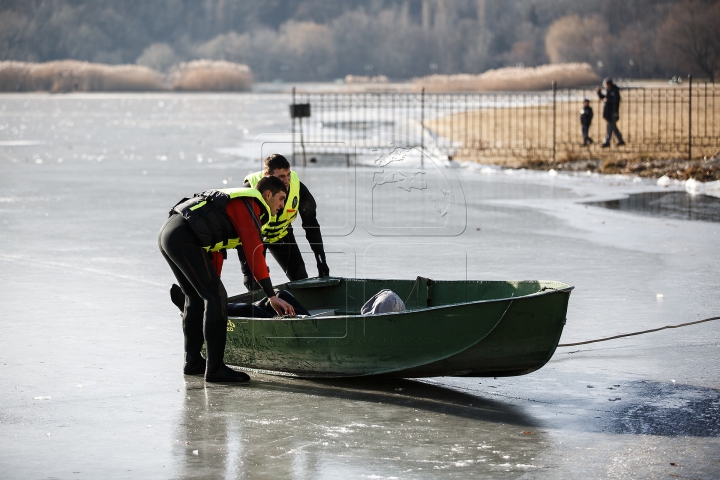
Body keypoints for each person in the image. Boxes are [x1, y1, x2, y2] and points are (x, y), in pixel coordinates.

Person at [158, 176, 295, 383]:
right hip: (182, 237)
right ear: (268, 194)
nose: (283, 205)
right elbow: (254, 252)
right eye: (281, 199)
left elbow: (215, 250)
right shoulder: (250, 204)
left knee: (197, 298)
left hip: (171, 234)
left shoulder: (235, 203)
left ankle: (193, 361)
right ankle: (215, 369)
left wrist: (212, 287)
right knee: (215, 298)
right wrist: (271, 295)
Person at [239, 154, 329, 291]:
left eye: (288, 175)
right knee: (254, 285)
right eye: (281, 177)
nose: (286, 181)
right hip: (255, 239)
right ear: (267, 175)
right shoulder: (249, 191)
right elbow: (241, 232)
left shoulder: (298, 189)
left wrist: (321, 260)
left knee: (301, 281)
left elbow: (312, 227)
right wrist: (247, 271)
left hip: (281, 235)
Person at [596, 78, 625, 148]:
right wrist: (599, 92)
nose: (605, 86)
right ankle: (620, 140)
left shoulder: (615, 90)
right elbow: (603, 97)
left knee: (609, 127)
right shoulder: (608, 90)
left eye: (606, 84)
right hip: (608, 112)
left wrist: (608, 100)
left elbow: (616, 99)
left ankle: (607, 141)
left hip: (613, 112)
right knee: (614, 127)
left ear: (609, 84)